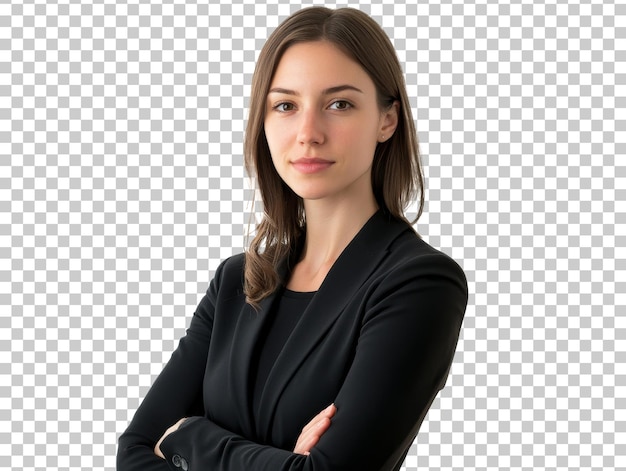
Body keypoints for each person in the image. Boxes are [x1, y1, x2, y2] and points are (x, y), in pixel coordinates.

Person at [117, 6, 468, 471]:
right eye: (285, 105)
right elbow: (135, 452)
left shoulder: (420, 284)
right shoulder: (235, 283)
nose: (308, 134)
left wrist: (191, 436)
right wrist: (281, 462)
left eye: (339, 104)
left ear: (387, 120)